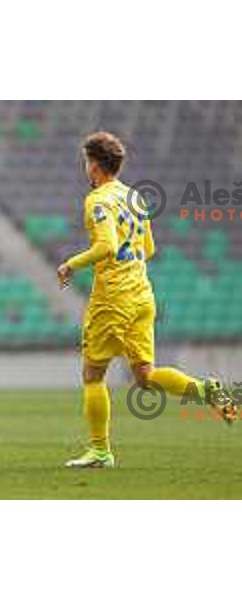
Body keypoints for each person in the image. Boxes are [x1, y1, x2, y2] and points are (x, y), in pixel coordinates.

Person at [58, 131, 233, 468]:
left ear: (93, 165)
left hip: (113, 299)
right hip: (142, 295)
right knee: (146, 376)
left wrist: (70, 264)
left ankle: (100, 450)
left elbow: (106, 246)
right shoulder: (135, 197)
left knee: (93, 375)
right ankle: (207, 390)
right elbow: (149, 249)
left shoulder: (98, 200)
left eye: (86, 162)